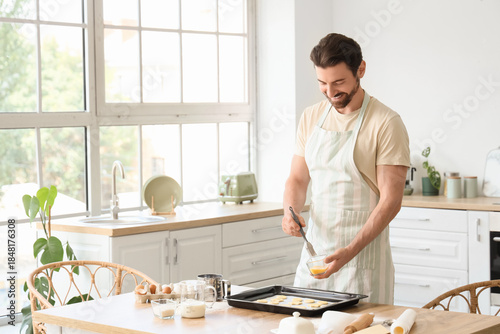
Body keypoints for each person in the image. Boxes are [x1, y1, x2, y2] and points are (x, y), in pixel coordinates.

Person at [282, 33, 410, 304]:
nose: (330, 92)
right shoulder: (311, 116)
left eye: (338, 82)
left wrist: (350, 251)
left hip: (362, 263)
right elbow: (297, 178)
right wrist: (289, 212)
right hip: (314, 256)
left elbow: (391, 201)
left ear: (360, 69)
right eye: (322, 83)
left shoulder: (386, 122)